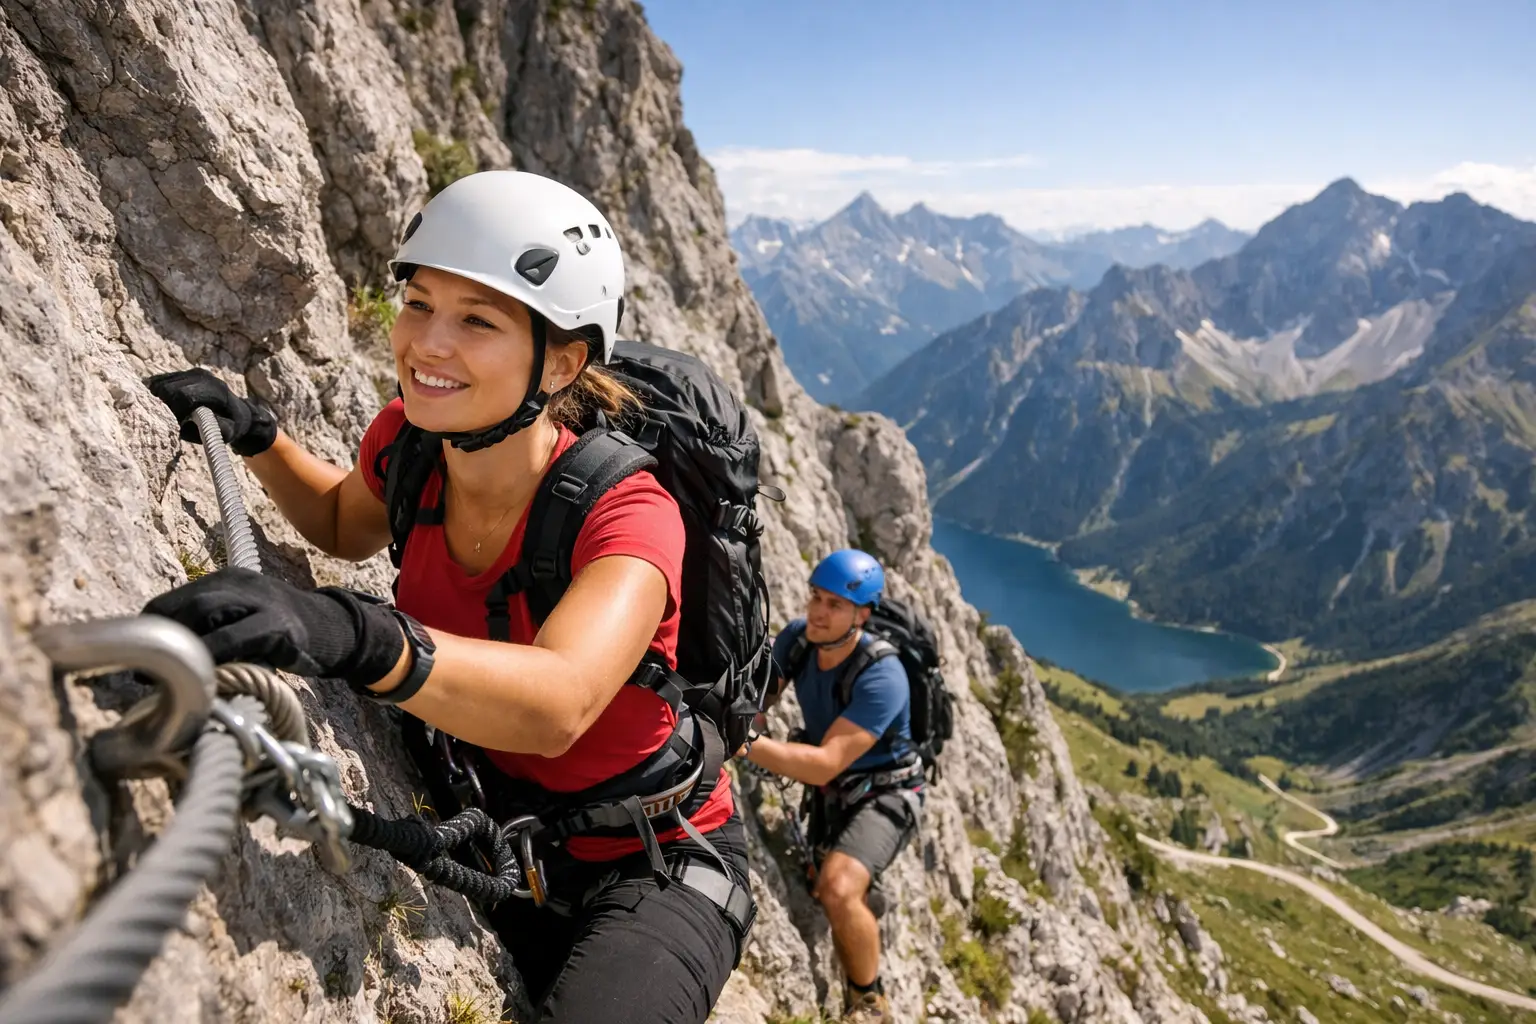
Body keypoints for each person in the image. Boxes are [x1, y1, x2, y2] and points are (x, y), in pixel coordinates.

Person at [138, 169, 753, 1024]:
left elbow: (559, 702)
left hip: (649, 865)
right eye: (419, 304)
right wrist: (258, 436)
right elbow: (341, 523)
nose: (427, 343)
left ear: (563, 361)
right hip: (500, 832)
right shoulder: (411, 442)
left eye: (477, 321)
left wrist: (361, 636)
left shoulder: (630, 515)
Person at [744, 549, 923, 1024]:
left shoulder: (884, 676)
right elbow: (763, 695)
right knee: (820, 882)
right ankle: (863, 883)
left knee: (838, 889)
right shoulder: (799, 640)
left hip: (887, 792)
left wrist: (747, 744)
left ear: (862, 614)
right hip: (837, 790)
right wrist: (750, 717)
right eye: (815, 598)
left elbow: (824, 765)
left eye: (835, 605)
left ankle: (869, 1000)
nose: (818, 613)